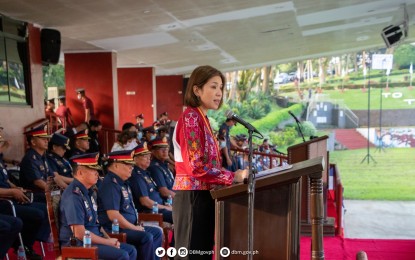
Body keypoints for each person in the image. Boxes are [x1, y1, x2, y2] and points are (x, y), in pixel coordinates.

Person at [172, 65, 247, 259]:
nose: (219, 93)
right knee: (191, 253)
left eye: (221, 87)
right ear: (196, 90)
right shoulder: (190, 118)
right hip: (192, 196)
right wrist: (233, 176)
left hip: (203, 196)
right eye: (213, 87)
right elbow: (196, 166)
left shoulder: (201, 118)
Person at [59, 152, 137, 260]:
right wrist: (107, 242)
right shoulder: (74, 196)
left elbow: (97, 225)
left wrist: (109, 239)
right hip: (79, 244)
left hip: (94, 240)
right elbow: (79, 233)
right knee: (122, 255)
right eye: (93, 170)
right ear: (80, 173)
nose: (97, 174)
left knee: (131, 250)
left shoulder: (89, 191)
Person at [97, 150, 163, 260]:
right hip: (115, 229)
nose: (131, 168)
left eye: (131, 165)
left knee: (156, 232)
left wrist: (136, 226)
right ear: (116, 166)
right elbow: (113, 216)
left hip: (128, 226)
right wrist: (134, 228)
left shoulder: (122, 182)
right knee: (147, 236)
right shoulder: (111, 184)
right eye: (127, 165)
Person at [0, 131, 50, 259]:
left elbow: (5, 180)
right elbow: (38, 182)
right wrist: (12, 191)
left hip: (11, 197)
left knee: (44, 209)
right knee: (32, 215)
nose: (2, 145)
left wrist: (14, 187)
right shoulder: (30, 157)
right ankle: (22, 246)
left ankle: (26, 245)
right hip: (4, 201)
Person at [19, 124, 67, 202]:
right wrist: (56, 192)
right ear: (33, 142)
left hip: (45, 192)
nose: (46, 141)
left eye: (47, 139)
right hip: (34, 194)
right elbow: (38, 182)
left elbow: (54, 177)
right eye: (43, 139)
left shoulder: (43, 157)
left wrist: (66, 188)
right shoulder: (30, 158)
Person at [129, 143, 173, 224]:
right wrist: (165, 208)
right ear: (135, 159)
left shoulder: (145, 173)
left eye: (149, 157)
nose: (148, 159)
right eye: (145, 157)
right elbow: (145, 202)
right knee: (178, 216)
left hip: (160, 207)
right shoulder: (137, 176)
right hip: (150, 211)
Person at [147, 137, 175, 202]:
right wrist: (182, 199)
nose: (165, 151)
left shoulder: (164, 164)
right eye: (161, 149)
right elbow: (164, 192)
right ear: (153, 152)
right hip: (169, 202)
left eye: (166, 148)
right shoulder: (155, 167)